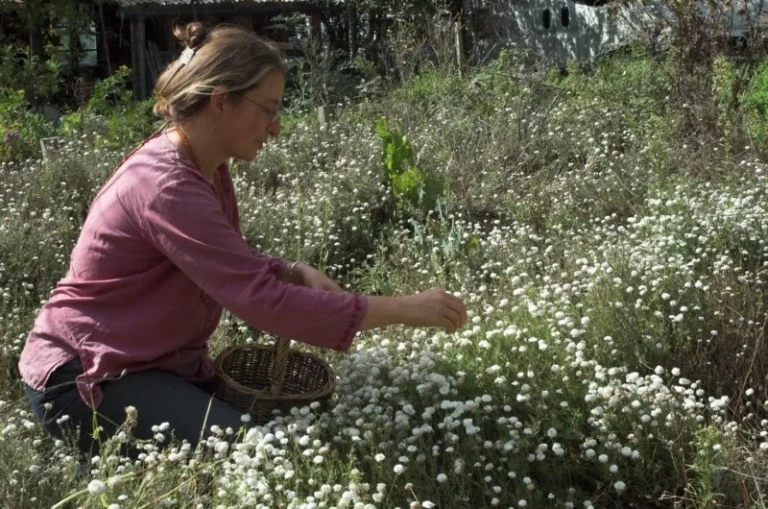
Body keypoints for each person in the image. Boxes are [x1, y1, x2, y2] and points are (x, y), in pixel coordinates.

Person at [18, 22, 467, 458]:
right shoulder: (167, 184)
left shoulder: (203, 165)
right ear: (220, 101)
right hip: (89, 374)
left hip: (144, 361)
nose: (276, 127)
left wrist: (291, 270)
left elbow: (226, 259)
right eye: (268, 109)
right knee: (258, 452)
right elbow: (264, 303)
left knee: (247, 444)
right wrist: (406, 309)